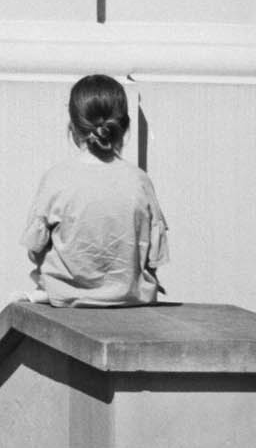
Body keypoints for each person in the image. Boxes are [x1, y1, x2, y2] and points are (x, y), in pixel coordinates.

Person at [21, 74, 167, 306]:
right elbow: (154, 258)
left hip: (64, 298)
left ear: (73, 127)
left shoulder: (56, 178)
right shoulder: (140, 181)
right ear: (125, 127)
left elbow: (34, 250)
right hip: (130, 301)